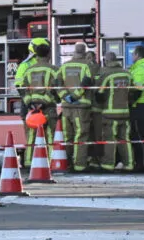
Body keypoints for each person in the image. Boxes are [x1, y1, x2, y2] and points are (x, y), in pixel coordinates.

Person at [58, 42, 100, 172]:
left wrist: (66, 97)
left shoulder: (64, 66)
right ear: (85, 52)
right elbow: (87, 83)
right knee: (81, 135)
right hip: (81, 107)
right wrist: (75, 96)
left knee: (67, 136)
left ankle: (67, 163)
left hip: (66, 108)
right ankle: (80, 165)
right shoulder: (87, 66)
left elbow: (57, 83)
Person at [18, 38, 58, 164]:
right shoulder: (54, 70)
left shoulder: (28, 69)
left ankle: (29, 162)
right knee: (51, 136)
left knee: (31, 137)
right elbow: (55, 89)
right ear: (48, 54)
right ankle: (52, 161)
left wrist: (30, 103)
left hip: (32, 109)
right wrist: (44, 102)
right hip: (48, 108)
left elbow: (22, 88)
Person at [95, 51, 134, 170]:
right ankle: (129, 164)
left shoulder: (106, 75)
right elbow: (134, 92)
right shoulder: (127, 74)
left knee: (110, 140)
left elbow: (99, 95)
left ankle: (108, 165)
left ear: (106, 61)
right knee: (125, 140)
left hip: (110, 114)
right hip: (125, 112)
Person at [127, 45, 144, 172]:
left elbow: (137, 89)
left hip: (139, 105)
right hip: (142, 105)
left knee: (137, 135)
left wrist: (130, 100)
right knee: (139, 135)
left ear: (137, 55)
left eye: (133, 54)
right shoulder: (141, 67)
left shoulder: (141, 68)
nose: (132, 56)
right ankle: (143, 163)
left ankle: (141, 164)